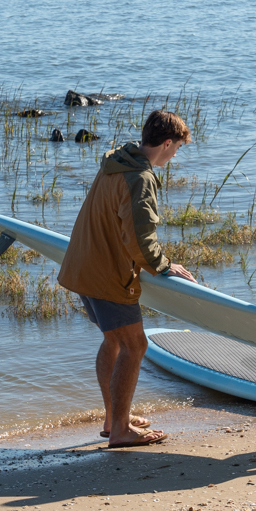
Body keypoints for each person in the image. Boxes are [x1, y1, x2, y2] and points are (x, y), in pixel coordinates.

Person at [58, 110, 197, 448]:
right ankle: (120, 430)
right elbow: (138, 237)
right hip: (108, 276)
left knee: (115, 342)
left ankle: (112, 418)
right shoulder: (140, 178)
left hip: (82, 268)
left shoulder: (117, 162)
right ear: (166, 143)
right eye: (177, 147)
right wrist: (164, 266)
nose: (176, 154)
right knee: (135, 346)